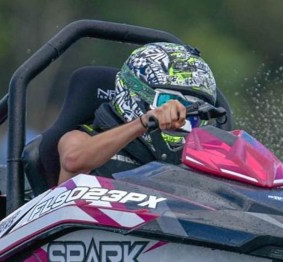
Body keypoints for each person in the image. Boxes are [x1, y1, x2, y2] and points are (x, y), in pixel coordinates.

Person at [57, 42, 217, 184]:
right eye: (168, 102)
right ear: (135, 93)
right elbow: (73, 161)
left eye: (192, 112)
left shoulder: (190, 163)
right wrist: (144, 122)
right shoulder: (79, 139)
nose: (179, 117)